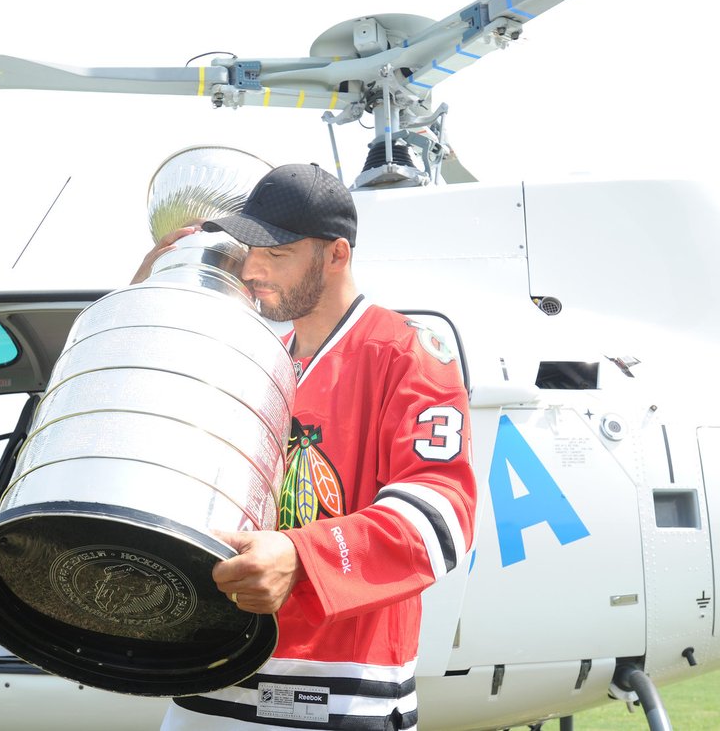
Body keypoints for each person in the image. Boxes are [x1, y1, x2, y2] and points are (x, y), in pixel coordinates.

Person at [137, 162, 477, 731]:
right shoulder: (254, 357)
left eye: (278, 252)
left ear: (337, 254)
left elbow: (442, 518)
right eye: (250, 247)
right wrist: (154, 288)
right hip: (210, 679)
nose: (254, 266)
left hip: (338, 693)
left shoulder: (407, 352)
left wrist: (301, 557)